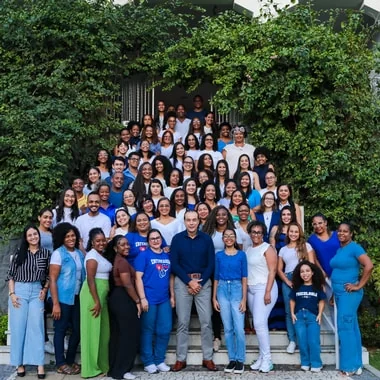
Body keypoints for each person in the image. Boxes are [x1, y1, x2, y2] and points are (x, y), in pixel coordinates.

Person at [170, 210, 217, 372]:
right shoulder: (177, 239)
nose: (191, 223)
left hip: (203, 283)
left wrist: (200, 282)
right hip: (183, 282)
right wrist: (189, 282)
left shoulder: (206, 239)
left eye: (194, 220)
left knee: (206, 321)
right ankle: (180, 358)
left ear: (199, 221)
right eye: (188, 220)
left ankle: (208, 358)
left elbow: (211, 263)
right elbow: (174, 264)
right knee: (183, 322)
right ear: (184, 221)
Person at [330, 222, 373, 376]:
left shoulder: (355, 247)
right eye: (339, 231)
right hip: (340, 294)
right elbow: (339, 271)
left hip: (349, 293)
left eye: (345, 231)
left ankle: (349, 367)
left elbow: (369, 265)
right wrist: (333, 294)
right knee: (352, 327)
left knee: (345, 327)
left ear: (351, 234)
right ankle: (356, 364)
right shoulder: (340, 249)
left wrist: (358, 286)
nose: (342, 233)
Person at [7, 225, 50, 379]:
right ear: (26, 238)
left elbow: (49, 276)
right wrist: (12, 294)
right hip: (19, 291)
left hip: (36, 292)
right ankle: (19, 364)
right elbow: (11, 275)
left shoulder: (45, 254)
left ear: (38, 235)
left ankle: (40, 365)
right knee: (18, 329)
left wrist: (45, 290)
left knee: (37, 328)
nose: (33, 237)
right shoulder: (20, 253)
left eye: (35, 234)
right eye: (29, 235)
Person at [135, 229, 174, 374]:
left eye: (158, 238)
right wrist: (142, 298)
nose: (155, 240)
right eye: (152, 239)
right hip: (149, 298)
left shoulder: (166, 255)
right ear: (148, 241)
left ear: (161, 239)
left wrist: (172, 296)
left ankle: (159, 359)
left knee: (165, 329)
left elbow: (170, 276)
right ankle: (148, 361)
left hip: (164, 298)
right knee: (147, 330)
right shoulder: (143, 255)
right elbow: (138, 277)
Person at [49, 223, 85, 375]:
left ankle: (70, 360)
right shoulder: (58, 253)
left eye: (73, 235)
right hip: (62, 298)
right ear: (61, 238)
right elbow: (52, 278)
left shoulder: (79, 253)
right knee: (61, 330)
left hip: (77, 297)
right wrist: (55, 304)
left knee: (77, 330)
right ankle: (60, 363)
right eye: (67, 236)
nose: (71, 238)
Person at [105, 236, 141, 380]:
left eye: (127, 244)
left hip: (117, 298)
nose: (126, 247)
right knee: (129, 336)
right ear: (115, 248)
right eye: (122, 245)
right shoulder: (122, 262)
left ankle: (115, 370)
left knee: (117, 335)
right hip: (124, 299)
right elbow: (127, 284)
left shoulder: (117, 261)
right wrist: (138, 301)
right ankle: (123, 370)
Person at [277, 222, 315, 354]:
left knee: (305, 309)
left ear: (300, 233)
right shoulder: (283, 249)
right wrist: (287, 281)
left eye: (296, 232)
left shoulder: (306, 246)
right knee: (289, 311)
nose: (293, 234)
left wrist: (307, 280)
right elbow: (279, 269)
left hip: (303, 278)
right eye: (291, 231)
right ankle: (292, 340)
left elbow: (311, 265)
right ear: (288, 233)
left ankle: (305, 340)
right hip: (288, 280)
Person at [213, 229, 247, 374]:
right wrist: (214, 297)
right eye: (226, 236)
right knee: (227, 327)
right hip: (222, 289)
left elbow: (244, 277)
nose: (228, 238)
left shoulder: (241, 255)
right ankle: (232, 358)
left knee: (239, 327)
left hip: (237, 288)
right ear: (222, 238)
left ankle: (240, 359)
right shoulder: (219, 255)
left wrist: (244, 299)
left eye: (231, 236)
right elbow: (215, 277)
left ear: (235, 238)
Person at [80, 228, 112, 378]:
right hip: (93, 296)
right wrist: (96, 301)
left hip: (102, 295)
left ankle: (102, 364)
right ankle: (90, 369)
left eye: (103, 240)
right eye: (98, 241)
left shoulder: (101, 254)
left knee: (103, 333)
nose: (101, 243)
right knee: (91, 333)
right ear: (92, 242)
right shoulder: (92, 256)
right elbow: (91, 279)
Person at [246, 221, 278, 373]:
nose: (256, 235)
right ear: (250, 233)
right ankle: (261, 356)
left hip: (264, 288)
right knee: (259, 324)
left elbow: (272, 271)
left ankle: (268, 359)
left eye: (259, 232)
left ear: (263, 234)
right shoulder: (248, 250)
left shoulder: (267, 248)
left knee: (259, 323)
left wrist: (267, 291)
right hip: (251, 290)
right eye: (253, 232)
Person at [289, 261, 326, 372]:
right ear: (299, 274)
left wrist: (320, 314)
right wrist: (292, 313)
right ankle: (305, 362)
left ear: (313, 272)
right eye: (302, 272)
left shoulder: (317, 287)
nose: (305, 274)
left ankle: (316, 364)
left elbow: (321, 301)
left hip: (312, 317)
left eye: (307, 271)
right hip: (299, 317)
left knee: (313, 341)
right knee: (302, 341)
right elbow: (292, 300)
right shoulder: (297, 287)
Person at [308, 213, 340, 279]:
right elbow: (314, 258)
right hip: (325, 277)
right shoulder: (311, 240)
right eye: (315, 224)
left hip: (341, 273)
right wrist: (321, 271)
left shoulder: (337, 235)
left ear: (325, 222)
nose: (317, 226)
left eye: (320, 223)